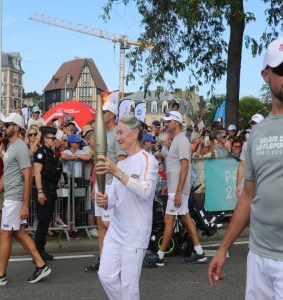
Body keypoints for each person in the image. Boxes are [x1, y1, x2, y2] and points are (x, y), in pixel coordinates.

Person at [208, 36, 283, 299]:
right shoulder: (257, 135)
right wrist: (221, 248)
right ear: (266, 75)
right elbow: (248, 197)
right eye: (282, 70)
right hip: (259, 256)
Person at [0, 113, 50, 287]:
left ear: (17, 127)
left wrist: (25, 205)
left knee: (5, 235)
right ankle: (41, 265)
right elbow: (6, 175)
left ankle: (0, 274)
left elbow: (27, 177)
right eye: (4, 125)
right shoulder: (11, 147)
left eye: (8, 124)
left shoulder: (19, 148)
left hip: (15, 198)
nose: (4, 127)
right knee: (19, 233)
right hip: (10, 196)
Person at [95, 114, 158, 300]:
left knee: (129, 287)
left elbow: (146, 191)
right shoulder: (121, 163)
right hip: (116, 231)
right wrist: (104, 200)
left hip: (135, 234)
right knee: (105, 276)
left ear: (135, 133)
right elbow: (113, 200)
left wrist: (116, 172)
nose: (118, 137)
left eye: (121, 132)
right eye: (117, 133)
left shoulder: (148, 161)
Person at [147, 111, 207, 267]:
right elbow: (174, 167)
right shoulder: (177, 140)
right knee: (184, 218)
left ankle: (160, 256)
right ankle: (199, 252)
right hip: (175, 188)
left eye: (169, 121)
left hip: (178, 190)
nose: (166, 123)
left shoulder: (182, 141)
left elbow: (185, 167)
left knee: (169, 219)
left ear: (177, 122)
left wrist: (178, 191)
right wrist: (169, 184)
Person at [85, 100, 126, 272]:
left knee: (110, 224)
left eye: (104, 112)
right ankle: (104, 260)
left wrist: (117, 187)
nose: (100, 115)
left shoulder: (118, 134)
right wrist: (96, 184)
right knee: (100, 224)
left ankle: (123, 256)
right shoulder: (100, 134)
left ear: (111, 115)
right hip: (100, 184)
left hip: (111, 186)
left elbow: (121, 162)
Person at [33, 126, 62, 261]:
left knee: (46, 222)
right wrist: (40, 191)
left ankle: (41, 250)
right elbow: (37, 172)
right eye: (52, 138)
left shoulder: (51, 152)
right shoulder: (41, 152)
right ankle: (37, 252)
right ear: (45, 139)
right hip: (43, 190)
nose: (54, 140)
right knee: (43, 222)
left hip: (50, 189)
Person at [235, 113, 264, 198]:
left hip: (265, 183)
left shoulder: (270, 141)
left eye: (256, 123)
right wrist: (238, 185)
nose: (253, 125)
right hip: (250, 183)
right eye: (252, 123)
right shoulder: (247, 144)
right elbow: (242, 165)